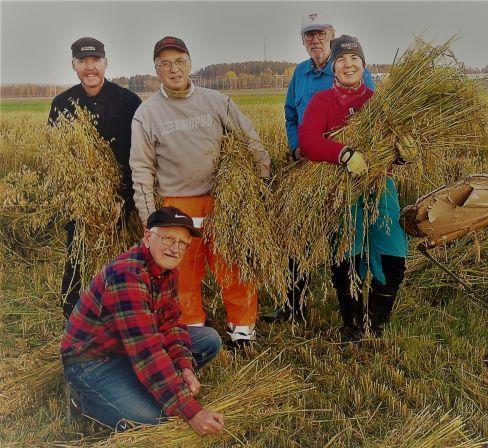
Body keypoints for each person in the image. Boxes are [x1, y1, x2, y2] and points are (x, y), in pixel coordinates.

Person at [129, 36, 271, 347]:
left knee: (232, 265)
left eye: (179, 61)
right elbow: (141, 170)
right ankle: (193, 330)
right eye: (165, 64)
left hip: (222, 200)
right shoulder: (147, 114)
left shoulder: (217, 102)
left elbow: (251, 140)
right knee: (183, 274)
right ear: (157, 70)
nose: (173, 69)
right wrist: (150, 217)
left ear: (190, 63)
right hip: (176, 206)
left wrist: (263, 182)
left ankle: (242, 329)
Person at [61, 207, 224, 435]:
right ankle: (85, 400)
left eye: (182, 243)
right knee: (152, 419)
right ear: (148, 237)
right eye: (168, 239)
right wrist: (191, 412)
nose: (175, 249)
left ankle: (146, 384)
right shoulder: (127, 276)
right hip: (92, 360)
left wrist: (184, 367)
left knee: (209, 339)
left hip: (126, 349)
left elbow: (171, 324)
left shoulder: (166, 269)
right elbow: (146, 351)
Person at [298, 36, 417, 340]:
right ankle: (351, 325)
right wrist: (344, 154)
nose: (348, 64)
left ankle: (375, 324)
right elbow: (309, 141)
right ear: (333, 68)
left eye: (354, 59)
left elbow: (395, 144)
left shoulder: (380, 103)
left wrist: (404, 154)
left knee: (393, 254)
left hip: (381, 187)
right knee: (346, 255)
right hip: (343, 191)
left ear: (363, 65)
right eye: (341, 60)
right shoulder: (323, 101)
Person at [266, 13, 375, 323]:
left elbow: (372, 116)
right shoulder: (300, 73)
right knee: (296, 235)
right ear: (303, 40)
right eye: (309, 35)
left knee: (340, 238)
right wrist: (295, 146)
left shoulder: (350, 67)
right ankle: (293, 306)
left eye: (320, 33)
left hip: (342, 171)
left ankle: (351, 307)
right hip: (306, 166)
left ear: (332, 35)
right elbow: (290, 113)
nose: (315, 40)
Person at [49, 37, 142, 319]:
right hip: (83, 202)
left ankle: (127, 313)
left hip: (124, 200)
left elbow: (140, 152)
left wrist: (122, 200)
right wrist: (80, 200)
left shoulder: (128, 101)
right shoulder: (63, 104)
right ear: (74, 65)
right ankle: (76, 318)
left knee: (125, 262)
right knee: (78, 260)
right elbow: (59, 158)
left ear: (105, 63)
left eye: (95, 61)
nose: (90, 68)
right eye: (82, 62)